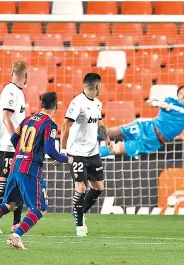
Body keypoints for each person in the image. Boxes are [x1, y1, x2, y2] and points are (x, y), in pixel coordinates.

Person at [0, 92, 73, 249]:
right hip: (30, 169)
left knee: (9, 204)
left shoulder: (28, 119)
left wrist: (21, 153)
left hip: (15, 166)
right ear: (56, 106)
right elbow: (49, 149)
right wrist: (66, 159)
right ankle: (16, 236)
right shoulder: (49, 124)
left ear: (42, 104)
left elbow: (13, 138)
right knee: (40, 208)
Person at [99, 66, 184, 158]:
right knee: (109, 133)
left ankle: (83, 156)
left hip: (153, 140)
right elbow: (149, 102)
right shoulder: (170, 101)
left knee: (114, 150)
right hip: (146, 127)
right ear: (179, 93)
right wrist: (158, 103)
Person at [61, 73, 111, 237]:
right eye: (101, 85)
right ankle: (79, 224)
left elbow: (99, 124)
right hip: (77, 153)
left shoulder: (98, 103)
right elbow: (65, 126)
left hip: (93, 152)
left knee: (98, 188)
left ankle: (78, 211)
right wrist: (63, 151)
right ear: (97, 86)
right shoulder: (77, 102)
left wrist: (107, 138)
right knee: (81, 188)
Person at [0, 61, 28, 234]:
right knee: (3, 181)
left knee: (19, 181)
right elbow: (6, 118)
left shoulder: (19, 92)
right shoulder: (10, 91)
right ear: (25, 75)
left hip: (15, 145)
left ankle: (16, 222)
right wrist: (17, 141)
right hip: (7, 145)